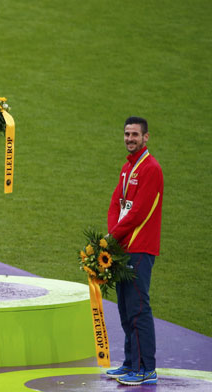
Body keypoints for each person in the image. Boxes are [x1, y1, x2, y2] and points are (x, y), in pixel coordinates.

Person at [105, 116, 163, 386]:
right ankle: (130, 362)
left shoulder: (151, 169)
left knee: (138, 308)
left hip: (140, 247)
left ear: (146, 137)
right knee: (126, 308)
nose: (130, 139)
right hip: (124, 247)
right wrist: (112, 237)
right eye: (127, 134)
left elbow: (138, 212)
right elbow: (116, 203)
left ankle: (145, 368)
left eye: (135, 135)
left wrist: (112, 237)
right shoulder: (127, 168)